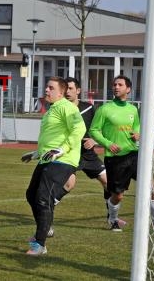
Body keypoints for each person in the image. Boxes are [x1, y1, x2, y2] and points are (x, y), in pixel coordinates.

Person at [21, 76, 85, 255]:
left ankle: (39, 244)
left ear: (61, 92)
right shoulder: (51, 110)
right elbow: (51, 138)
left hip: (63, 160)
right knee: (31, 194)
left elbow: (79, 129)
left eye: (50, 88)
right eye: (46, 87)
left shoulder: (67, 107)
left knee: (43, 197)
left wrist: (62, 149)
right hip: (47, 158)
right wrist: (36, 154)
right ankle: (45, 227)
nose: (46, 90)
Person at [60, 77, 126, 226]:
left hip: (88, 155)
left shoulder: (89, 108)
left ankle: (112, 218)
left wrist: (94, 140)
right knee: (68, 184)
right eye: (65, 89)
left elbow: (100, 129)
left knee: (108, 183)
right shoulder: (60, 108)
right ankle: (46, 213)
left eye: (71, 89)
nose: (67, 92)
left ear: (78, 90)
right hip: (70, 154)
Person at [89, 75, 141, 232]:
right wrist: (108, 144)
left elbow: (137, 127)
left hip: (134, 155)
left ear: (128, 89)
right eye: (114, 84)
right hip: (115, 160)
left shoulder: (133, 109)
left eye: (120, 84)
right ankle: (112, 219)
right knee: (118, 195)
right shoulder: (104, 109)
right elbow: (93, 130)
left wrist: (137, 134)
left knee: (153, 187)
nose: (116, 87)